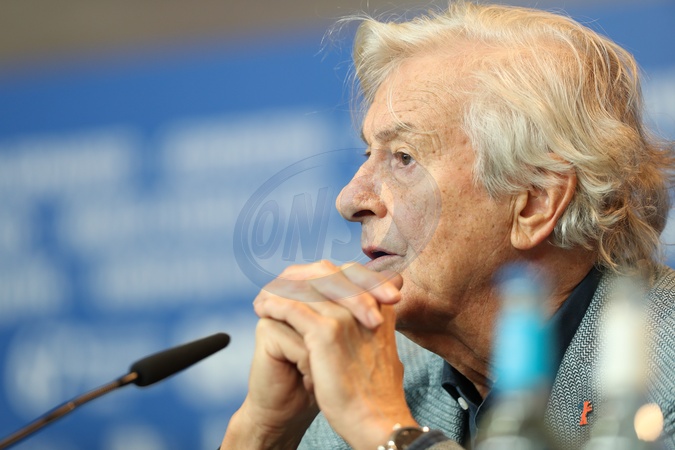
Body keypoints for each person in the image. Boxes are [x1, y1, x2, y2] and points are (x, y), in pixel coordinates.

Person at [221, 2, 675, 449]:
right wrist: (261, 432)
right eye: (368, 155)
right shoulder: (379, 380)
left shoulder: (662, 382)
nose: (350, 199)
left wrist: (389, 432)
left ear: (535, 200)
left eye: (404, 158)